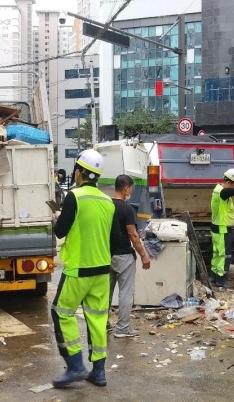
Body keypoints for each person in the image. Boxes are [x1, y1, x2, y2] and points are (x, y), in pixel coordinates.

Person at [51, 149, 123, 389]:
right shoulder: (107, 201)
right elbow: (113, 237)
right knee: (97, 319)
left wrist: (55, 217)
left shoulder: (74, 196)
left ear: (78, 172)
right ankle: (99, 372)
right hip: (102, 271)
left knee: (61, 312)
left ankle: (75, 366)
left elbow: (60, 231)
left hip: (79, 270)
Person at [109, 174, 151, 338]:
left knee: (106, 292)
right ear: (126, 188)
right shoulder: (126, 208)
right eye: (131, 188)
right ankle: (122, 328)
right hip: (124, 256)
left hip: (107, 255)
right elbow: (133, 235)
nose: (131, 191)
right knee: (125, 293)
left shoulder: (106, 205)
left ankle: (103, 324)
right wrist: (143, 256)